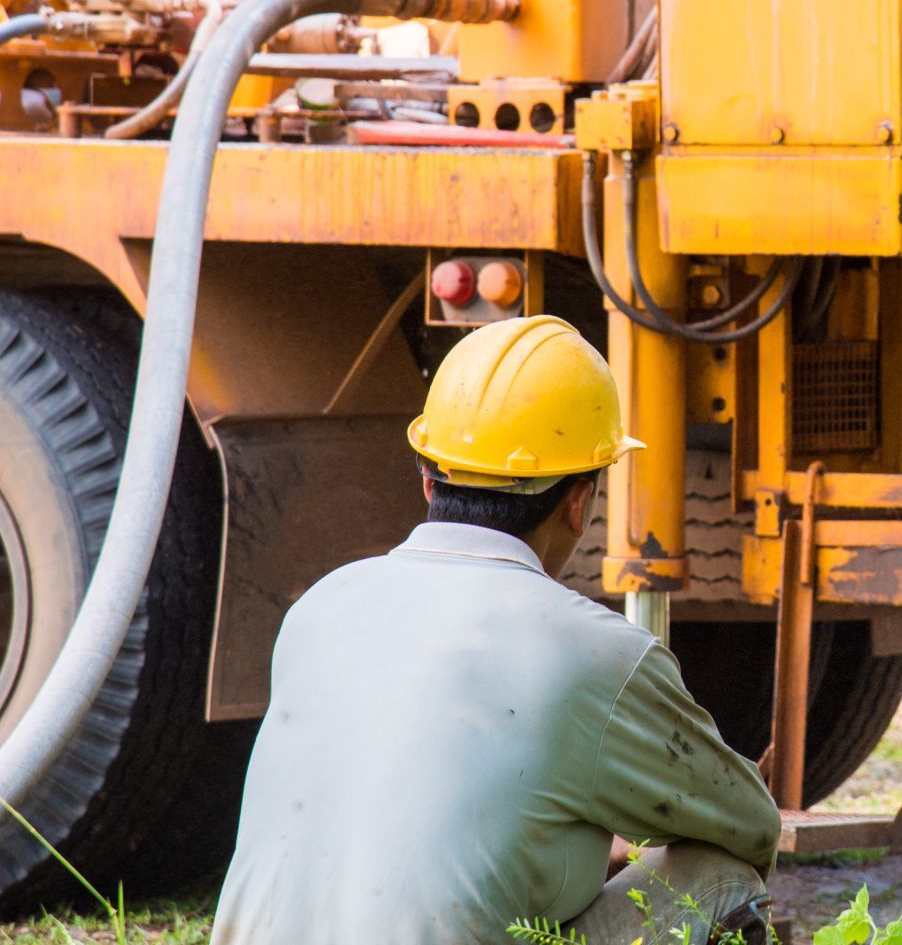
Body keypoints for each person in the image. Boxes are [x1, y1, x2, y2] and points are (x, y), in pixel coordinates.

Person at [212, 315, 780, 944]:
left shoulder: (320, 607)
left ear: (429, 476)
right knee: (722, 873)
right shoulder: (596, 653)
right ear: (578, 502)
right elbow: (750, 825)